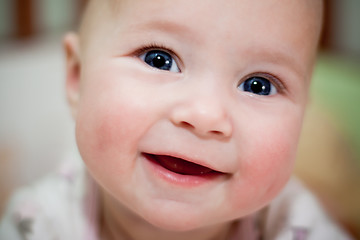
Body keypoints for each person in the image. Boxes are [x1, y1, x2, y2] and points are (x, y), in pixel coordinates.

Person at [0, 0, 354, 239]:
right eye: (159, 59)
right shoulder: (40, 223)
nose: (205, 116)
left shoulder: (295, 224)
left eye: (258, 86)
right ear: (77, 77)